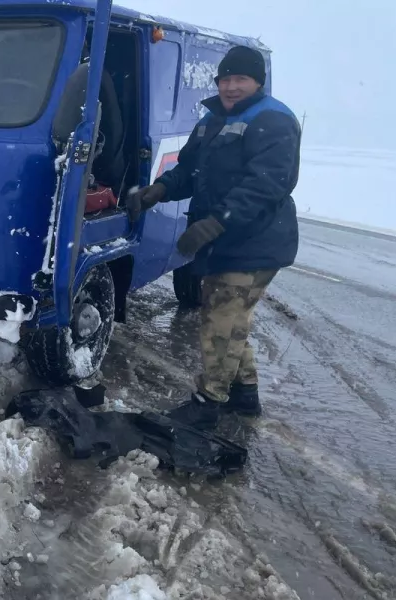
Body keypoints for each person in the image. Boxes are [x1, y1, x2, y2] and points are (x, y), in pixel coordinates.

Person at [127, 45, 301, 429]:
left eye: (240, 79)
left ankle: (207, 404)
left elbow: (266, 185)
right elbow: (188, 169)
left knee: (221, 316)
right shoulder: (212, 120)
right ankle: (244, 395)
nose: (231, 87)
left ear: (258, 82)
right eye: (225, 79)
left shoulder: (272, 120)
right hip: (227, 239)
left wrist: (214, 223)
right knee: (232, 317)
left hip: (255, 240)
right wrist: (159, 189)